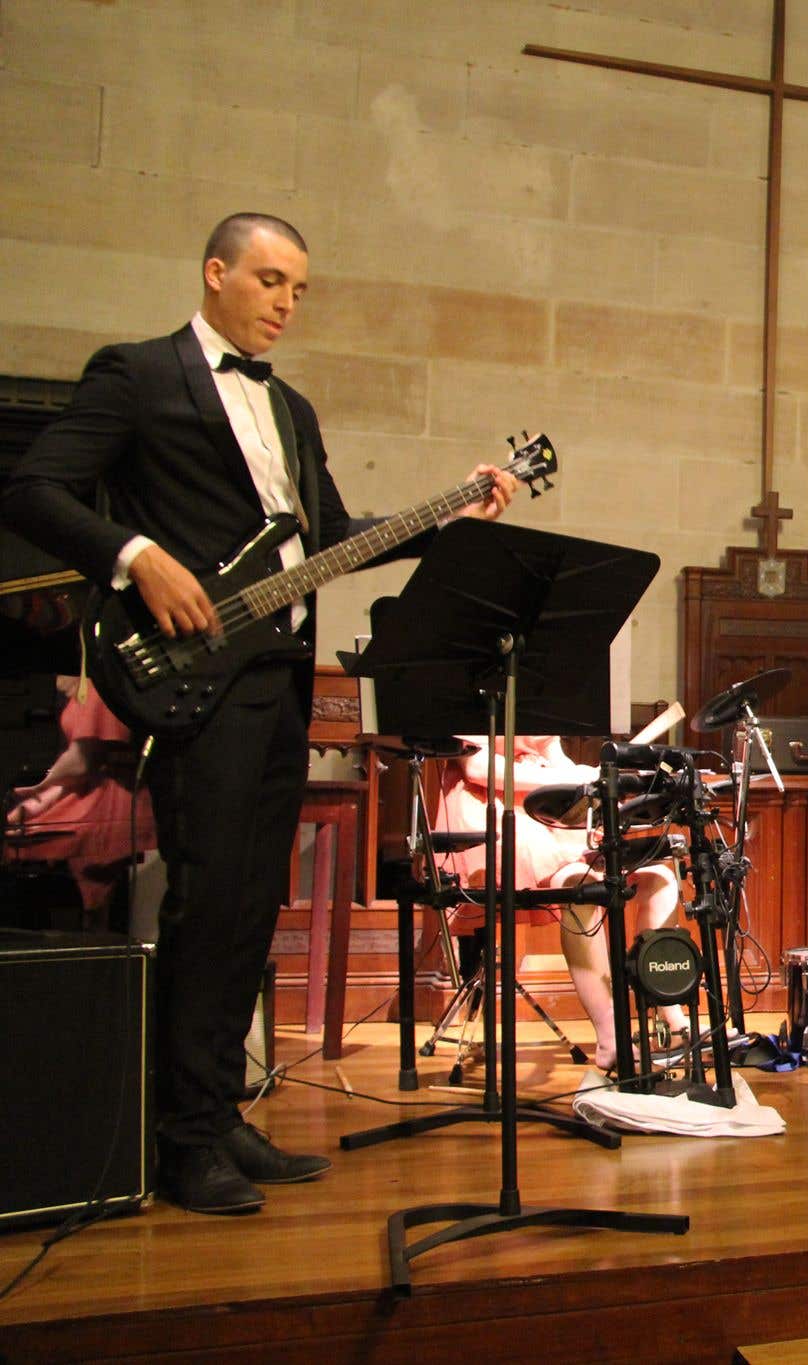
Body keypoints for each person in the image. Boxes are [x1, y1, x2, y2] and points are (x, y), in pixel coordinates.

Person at [1, 213, 518, 1215]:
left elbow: (330, 540)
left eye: (299, 288)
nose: (285, 302)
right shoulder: (139, 374)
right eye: (270, 280)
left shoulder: (293, 411)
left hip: (276, 678)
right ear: (215, 273)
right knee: (207, 898)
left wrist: (447, 515)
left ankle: (216, 1110)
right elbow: (32, 489)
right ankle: (180, 1139)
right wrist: (137, 558)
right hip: (193, 676)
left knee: (247, 909)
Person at [436, 735, 687, 1074]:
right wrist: (567, 779)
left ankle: (673, 1021)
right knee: (575, 885)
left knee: (662, 881)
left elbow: (555, 758)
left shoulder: (543, 696)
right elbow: (478, 767)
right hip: (493, 807)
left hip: (545, 806)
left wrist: (589, 773)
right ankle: (610, 1036)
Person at [5, 681, 155, 925]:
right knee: (19, 838)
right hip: (87, 790)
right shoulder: (82, 692)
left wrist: (41, 788)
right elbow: (72, 776)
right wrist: (33, 804)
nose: (56, 682)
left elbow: (82, 763)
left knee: (32, 846)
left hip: (111, 797)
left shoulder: (96, 689)